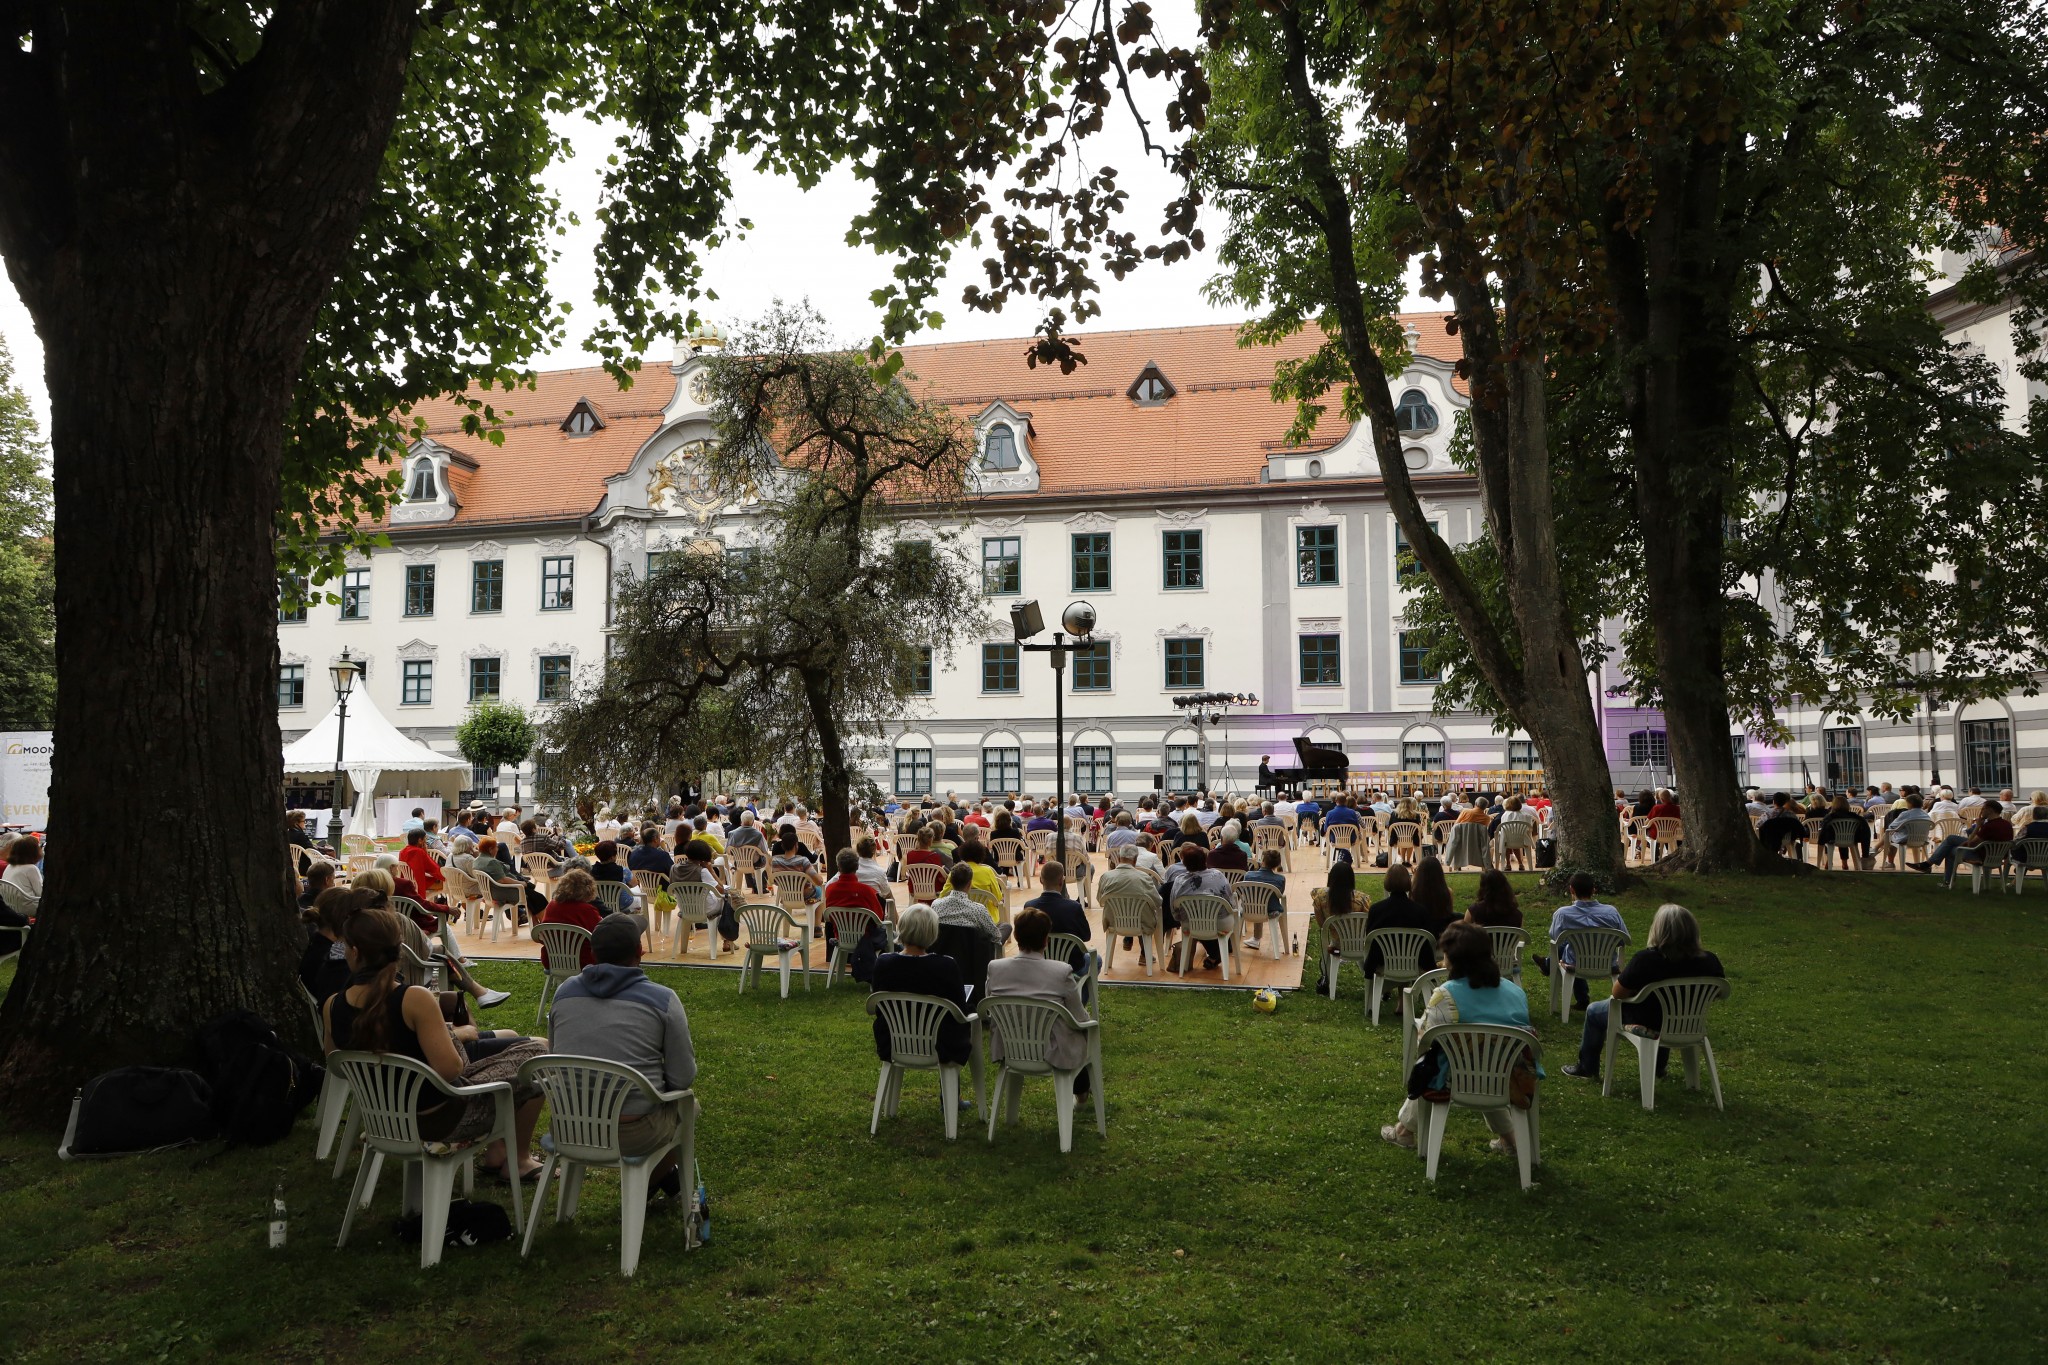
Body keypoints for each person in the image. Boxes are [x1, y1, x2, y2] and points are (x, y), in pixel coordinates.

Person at [322, 908, 546, 1179]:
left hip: (383, 1119)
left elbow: (338, 1065)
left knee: (519, 1049)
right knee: (539, 1054)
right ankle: (519, 1160)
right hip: (439, 1120)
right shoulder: (414, 999)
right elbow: (452, 1069)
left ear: (355, 952)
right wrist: (452, 1036)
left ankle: (500, 1153)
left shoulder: (332, 1005)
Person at [548, 914, 699, 1199]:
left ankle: (659, 1178)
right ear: (639, 952)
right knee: (690, 1106)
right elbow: (682, 1078)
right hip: (633, 1135)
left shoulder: (564, 992)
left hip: (569, 1128)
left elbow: (554, 1056)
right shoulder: (663, 999)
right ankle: (657, 1177)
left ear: (593, 954)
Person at [1380, 920, 1540, 1153]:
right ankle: (1511, 1138)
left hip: (1459, 1078)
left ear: (1452, 958)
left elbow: (1425, 1042)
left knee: (1434, 1064)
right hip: (1511, 1078)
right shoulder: (1516, 992)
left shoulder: (1445, 995)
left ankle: (1404, 1131)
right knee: (1485, 1059)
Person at [1563, 903, 1723, 1082]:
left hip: (1646, 1020)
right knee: (1664, 1011)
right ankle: (1658, 1068)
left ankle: (1587, 1068)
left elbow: (1617, 993)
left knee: (1594, 1011)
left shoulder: (1646, 960)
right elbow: (1719, 992)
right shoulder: (1710, 961)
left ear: (1658, 930)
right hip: (1689, 1023)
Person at [985, 907, 1093, 1097]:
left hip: (1010, 1048)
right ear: (1046, 940)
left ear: (1016, 936)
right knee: (1079, 1031)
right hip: (1053, 1051)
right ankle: (1082, 1091)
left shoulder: (995, 968)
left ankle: (1081, 1090)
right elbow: (1079, 1017)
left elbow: (990, 1008)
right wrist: (1089, 1023)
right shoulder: (1061, 971)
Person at [869, 903, 973, 1066]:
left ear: (902, 927)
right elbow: (960, 1011)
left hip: (892, 1043)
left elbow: (878, 1007)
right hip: (942, 1047)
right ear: (932, 931)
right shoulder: (946, 966)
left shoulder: (883, 963)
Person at [1534, 872, 1628, 1010]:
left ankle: (1548, 964)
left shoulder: (1563, 914)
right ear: (1593, 890)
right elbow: (1623, 939)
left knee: (1572, 946)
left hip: (1576, 963)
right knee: (1574, 946)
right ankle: (1580, 998)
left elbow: (1555, 937)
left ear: (1571, 890)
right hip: (1607, 963)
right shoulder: (1611, 912)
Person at [1162, 844, 1234, 970]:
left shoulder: (1179, 881)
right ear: (1205, 859)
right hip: (1220, 924)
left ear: (1184, 863)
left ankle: (1215, 954)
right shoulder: (1218, 875)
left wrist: (1182, 918)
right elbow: (1229, 901)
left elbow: (1175, 908)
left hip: (1191, 924)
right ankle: (1217, 952)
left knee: (1199, 920)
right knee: (1210, 917)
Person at [824, 849, 891, 982]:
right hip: (866, 938)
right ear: (857, 867)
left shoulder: (830, 889)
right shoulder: (867, 891)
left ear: (839, 867)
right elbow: (879, 916)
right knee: (888, 932)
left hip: (841, 937)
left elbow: (830, 916)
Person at [1912, 799, 2015, 884]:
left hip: (1982, 856)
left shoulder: (1988, 826)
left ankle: (1945, 879)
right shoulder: (2007, 824)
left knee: (1950, 850)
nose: (1981, 811)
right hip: (1998, 856)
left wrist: (1978, 826)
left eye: (1983, 809)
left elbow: (1971, 844)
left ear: (1990, 810)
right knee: (1951, 839)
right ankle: (1929, 865)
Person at [1360, 863, 1436, 978]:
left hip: (1382, 960)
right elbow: (1429, 938)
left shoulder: (1376, 910)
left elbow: (1369, 937)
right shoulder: (1420, 911)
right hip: (1416, 962)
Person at [1022, 861, 1091, 973]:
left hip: (1039, 964)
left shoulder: (1029, 906)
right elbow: (1086, 936)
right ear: (1061, 881)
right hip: (1071, 965)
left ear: (1041, 880)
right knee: (1096, 960)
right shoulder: (1074, 907)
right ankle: (1076, 985)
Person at [931, 862, 1009, 953]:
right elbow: (996, 937)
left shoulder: (936, 905)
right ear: (969, 884)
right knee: (1006, 927)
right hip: (973, 956)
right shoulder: (978, 909)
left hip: (945, 951)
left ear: (951, 882)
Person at [539, 868, 605, 970]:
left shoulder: (551, 906)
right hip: (583, 962)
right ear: (588, 889)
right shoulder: (587, 910)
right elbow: (601, 935)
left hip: (552, 961)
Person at [1241, 847, 1287, 953]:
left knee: (1258, 901)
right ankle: (1256, 939)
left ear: (1262, 861)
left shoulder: (1248, 876)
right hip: (1271, 911)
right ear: (1277, 865)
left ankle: (1256, 939)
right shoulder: (1280, 879)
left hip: (1250, 910)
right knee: (1264, 901)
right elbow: (1280, 894)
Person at [1412, 855, 1457, 937]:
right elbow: (1450, 913)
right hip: (1440, 935)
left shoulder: (1414, 892)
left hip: (1420, 937)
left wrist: (1414, 877)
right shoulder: (1447, 892)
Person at [587, 839, 637, 913]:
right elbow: (634, 884)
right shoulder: (623, 870)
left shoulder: (590, 870)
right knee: (637, 891)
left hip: (600, 905)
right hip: (622, 905)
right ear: (612, 857)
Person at [397, 827, 445, 897]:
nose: (426, 841)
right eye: (425, 839)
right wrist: (444, 875)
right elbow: (434, 868)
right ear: (420, 840)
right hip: (420, 883)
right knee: (447, 883)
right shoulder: (419, 852)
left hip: (408, 883)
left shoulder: (402, 851)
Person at [2, 834, 43, 900]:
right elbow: (40, 893)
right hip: (29, 903)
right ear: (34, 852)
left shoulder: (9, 866)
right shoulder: (31, 869)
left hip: (10, 902)